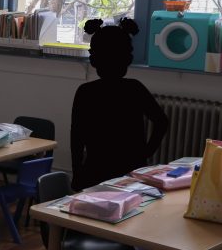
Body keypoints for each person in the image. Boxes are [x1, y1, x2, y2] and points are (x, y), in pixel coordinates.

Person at [71, 17, 168, 191]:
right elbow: (162, 122)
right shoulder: (135, 88)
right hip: (131, 174)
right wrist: (145, 154)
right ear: (127, 58)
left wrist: (77, 173)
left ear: (95, 59)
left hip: (94, 172)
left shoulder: (85, 92)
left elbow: (76, 138)